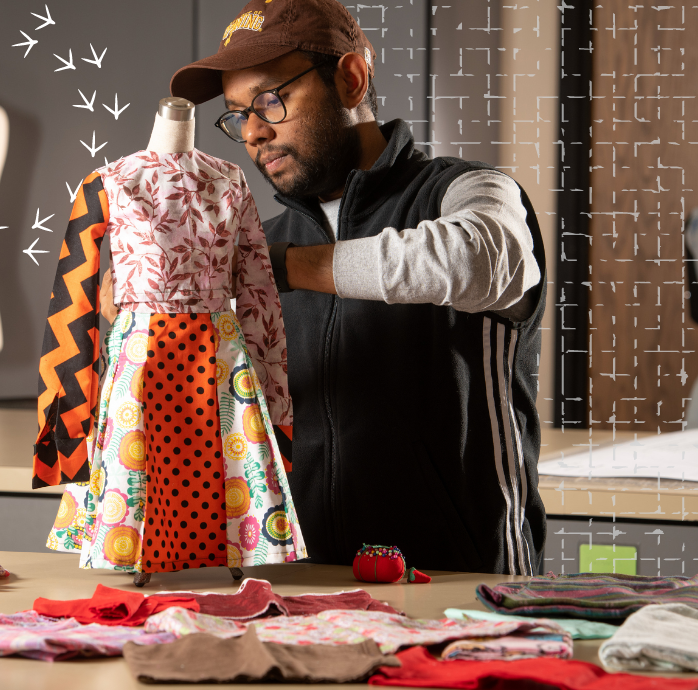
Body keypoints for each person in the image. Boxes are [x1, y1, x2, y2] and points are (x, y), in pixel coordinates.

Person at [109, 0, 547, 575]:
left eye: (271, 99)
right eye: (239, 115)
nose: (255, 132)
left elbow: (479, 262)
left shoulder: (467, 193)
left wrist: (282, 268)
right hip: (301, 582)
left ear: (351, 78)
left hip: (462, 577)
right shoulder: (265, 241)